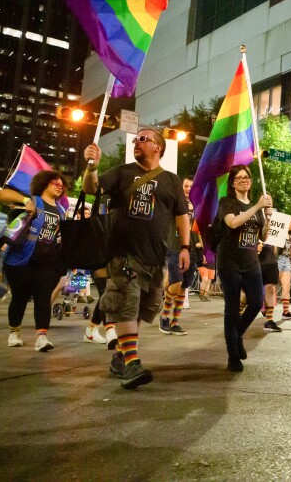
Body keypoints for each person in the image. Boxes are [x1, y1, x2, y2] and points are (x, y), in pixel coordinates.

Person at [83, 129, 190, 390]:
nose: (137, 142)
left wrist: (186, 247)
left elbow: (181, 216)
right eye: (136, 139)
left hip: (155, 257)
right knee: (125, 305)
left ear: (158, 147)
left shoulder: (172, 180)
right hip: (123, 253)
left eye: (143, 139)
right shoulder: (122, 171)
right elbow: (91, 189)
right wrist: (92, 168)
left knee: (143, 308)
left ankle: (120, 356)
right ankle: (132, 362)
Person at [0, 171, 67, 351]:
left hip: (47, 262)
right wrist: (24, 201)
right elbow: (1, 194)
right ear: (43, 183)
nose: (59, 185)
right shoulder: (33, 201)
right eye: (54, 182)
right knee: (19, 297)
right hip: (21, 259)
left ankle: (42, 337)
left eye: (61, 184)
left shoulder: (61, 211)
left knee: (43, 297)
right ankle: (14, 332)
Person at [216, 165, 272, 371]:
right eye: (238, 178)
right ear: (232, 182)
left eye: (246, 177)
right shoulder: (227, 203)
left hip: (250, 261)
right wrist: (257, 207)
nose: (243, 180)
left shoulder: (256, 206)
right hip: (229, 260)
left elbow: (263, 236)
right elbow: (232, 223)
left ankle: (237, 334)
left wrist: (268, 218)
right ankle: (232, 355)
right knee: (231, 308)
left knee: (257, 302)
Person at [159, 176, 201, 336]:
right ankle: (164, 316)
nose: (188, 188)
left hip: (190, 250)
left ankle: (175, 322)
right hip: (174, 247)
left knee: (183, 288)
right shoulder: (173, 203)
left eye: (191, 186)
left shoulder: (196, 207)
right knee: (176, 283)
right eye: (185, 186)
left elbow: (197, 229)